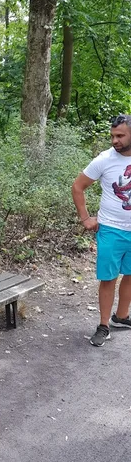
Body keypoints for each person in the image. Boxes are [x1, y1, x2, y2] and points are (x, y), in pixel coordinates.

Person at [72, 114, 131, 346]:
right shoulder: (104, 160)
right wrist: (85, 218)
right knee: (108, 278)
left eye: (120, 136)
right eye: (112, 136)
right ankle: (104, 325)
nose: (114, 140)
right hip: (111, 230)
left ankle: (121, 316)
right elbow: (78, 187)